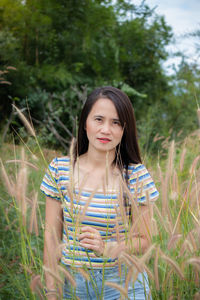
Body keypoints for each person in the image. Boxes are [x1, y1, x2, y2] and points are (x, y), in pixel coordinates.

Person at [40, 86, 159, 300]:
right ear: (85, 123)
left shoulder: (136, 175)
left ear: (125, 129)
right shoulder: (59, 170)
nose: (106, 130)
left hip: (124, 283)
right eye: (98, 119)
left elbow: (145, 240)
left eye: (115, 123)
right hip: (73, 284)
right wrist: (51, 289)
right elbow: (51, 237)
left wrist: (108, 247)